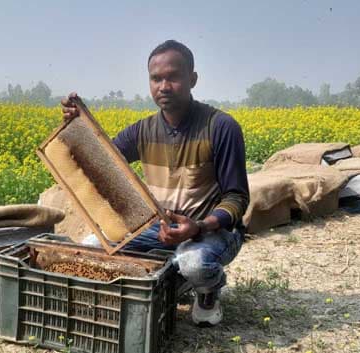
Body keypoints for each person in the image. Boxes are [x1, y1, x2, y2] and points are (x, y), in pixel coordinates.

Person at [61, 39, 249, 327]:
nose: (164, 86)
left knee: (193, 263)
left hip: (211, 230)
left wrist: (199, 226)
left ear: (192, 79)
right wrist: (81, 126)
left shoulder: (221, 127)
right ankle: (174, 274)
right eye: (156, 78)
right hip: (159, 227)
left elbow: (237, 198)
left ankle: (209, 289)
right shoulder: (143, 130)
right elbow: (102, 162)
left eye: (173, 77)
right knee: (93, 248)